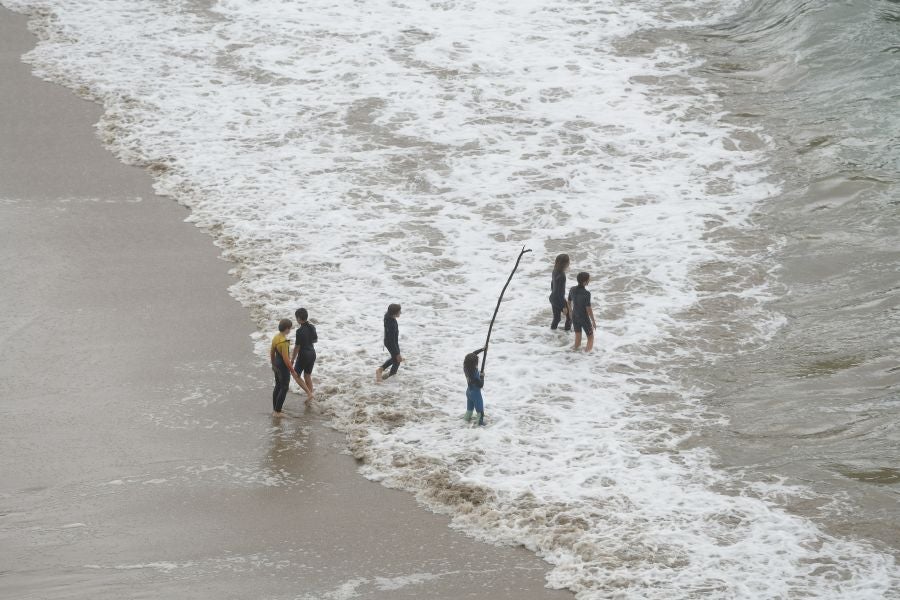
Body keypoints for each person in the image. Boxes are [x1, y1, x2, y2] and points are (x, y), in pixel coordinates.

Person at [270, 318, 308, 416]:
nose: (290, 330)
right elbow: (286, 359)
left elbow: (272, 352)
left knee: (278, 386)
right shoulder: (284, 342)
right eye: (289, 328)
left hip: (276, 365)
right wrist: (292, 370)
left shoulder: (276, 337)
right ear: (286, 329)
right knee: (284, 387)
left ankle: (275, 408)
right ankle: (277, 411)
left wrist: (273, 364)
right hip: (282, 367)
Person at [290, 308, 317, 400]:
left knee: (295, 375)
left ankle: (309, 394)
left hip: (304, 355)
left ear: (298, 318)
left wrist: (292, 359)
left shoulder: (299, 331)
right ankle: (310, 396)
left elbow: (297, 347)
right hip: (312, 353)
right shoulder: (312, 327)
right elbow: (315, 340)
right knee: (307, 375)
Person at [567, 272, 597, 352]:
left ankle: (573, 353)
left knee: (578, 338)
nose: (589, 280)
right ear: (585, 282)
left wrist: (570, 312)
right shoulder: (587, 294)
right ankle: (587, 356)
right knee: (590, 337)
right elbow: (588, 308)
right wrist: (593, 321)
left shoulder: (572, 289)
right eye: (588, 279)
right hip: (583, 317)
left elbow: (569, 302)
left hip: (574, 316)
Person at [375, 303, 402, 382]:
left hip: (390, 341)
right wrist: (397, 353)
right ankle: (389, 376)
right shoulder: (391, 325)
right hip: (391, 343)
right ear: (394, 314)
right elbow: (392, 340)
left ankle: (383, 371)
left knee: (396, 358)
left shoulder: (387, 315)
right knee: (397, 360)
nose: (400, 313)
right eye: (399, 312)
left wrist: (397, 354)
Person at [463, 349, 486, 426]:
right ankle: (479, 427)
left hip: (469, 392)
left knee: (469, 411)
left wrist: (483, 349)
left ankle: (463, 424)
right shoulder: (474, 375)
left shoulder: (465, 367)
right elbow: (480, 385)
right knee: (480, 413)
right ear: (474, 363)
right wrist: (482, 376)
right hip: (476, 395)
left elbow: (473, 354)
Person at [549, 253, 571, 331]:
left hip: (552, 297)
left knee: (557, 318)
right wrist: (564, 306)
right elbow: (560, 293)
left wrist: (553, 293)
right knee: (570, 317)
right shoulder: (562, 276)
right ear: (565, 264)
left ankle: (552, 332)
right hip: (558, 299)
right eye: (569, 261)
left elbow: (552, 284)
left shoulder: (554, 271)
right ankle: (567, 332)